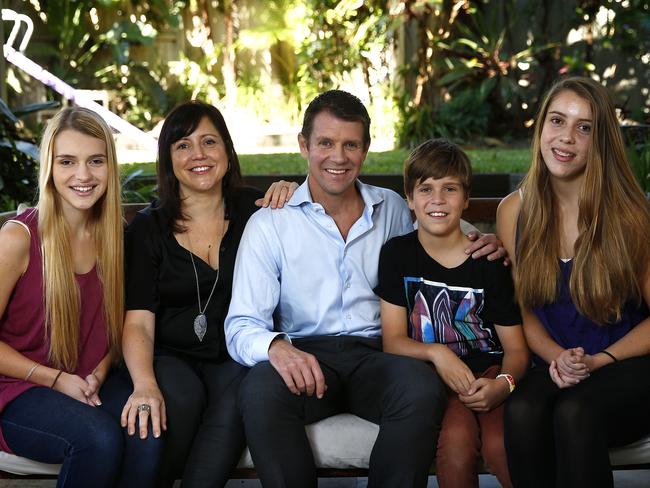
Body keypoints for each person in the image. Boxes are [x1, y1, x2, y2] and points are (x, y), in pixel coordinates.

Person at [225, 90, 506, 488]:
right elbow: (240, 325)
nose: (338, 157)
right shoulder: (271, 223)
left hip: (379, 355)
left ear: (366, 149)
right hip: (306, 353)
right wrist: (276, 348)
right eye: (325, 143)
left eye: (350, 145)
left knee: (420, 388)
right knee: (259, 390)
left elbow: (442, 241)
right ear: (304, 145)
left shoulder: (392, 208)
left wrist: (482, 241)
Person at [121, 100, 296, 487]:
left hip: (234, 351)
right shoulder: (148, 230)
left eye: (208, 142)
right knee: (181, 398)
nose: (198, 155)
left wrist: (294, 191)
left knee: (238, 398)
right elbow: (138, 323)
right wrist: (144, 383)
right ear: (168, 161)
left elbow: (311, 220)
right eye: (183, 145)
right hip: (171, 353)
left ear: (227, 154)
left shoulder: (257, 212)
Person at [498, 76, 650, 488]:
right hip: (553, 359)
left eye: (584, 128)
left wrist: (599, 361)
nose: (566, 138)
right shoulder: (514, 210)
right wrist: (557, 358)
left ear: (600, 140)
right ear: (541, 128)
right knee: (523, 412)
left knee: (575, 412)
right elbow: (524, 310)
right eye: (557, 121)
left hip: (628, 363)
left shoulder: (631, 216)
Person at [0, 107, 162, 488]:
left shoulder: (117, 237)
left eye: (95, 161)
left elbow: (115, 326)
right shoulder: (17, 240)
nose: (83, 175)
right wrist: (55, 379)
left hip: (89, 379)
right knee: (98, 440)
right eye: (67, 162)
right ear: (50, 168)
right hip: (19, 387)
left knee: (147, 429)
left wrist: (102, 370)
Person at [375, 139, 529, 488]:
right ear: (410, 200)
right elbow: (393, 340)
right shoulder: (397, 256)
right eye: (426, 189)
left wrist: (503, 385)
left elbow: (517, 349)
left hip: (490, 372)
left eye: (450, 189)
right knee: (456, 447)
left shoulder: (488, 261)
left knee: (500, 445)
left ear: (466, 198)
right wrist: (437, 352)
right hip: (436, 379)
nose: (438, 200)